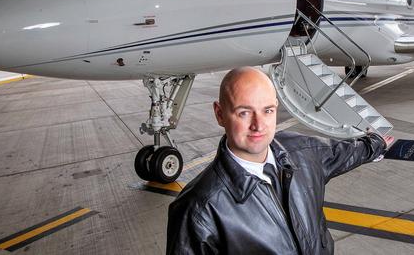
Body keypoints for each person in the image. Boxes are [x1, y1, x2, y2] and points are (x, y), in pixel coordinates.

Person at [166, 67, 393, 254]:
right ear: (219, 114)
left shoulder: (304, 152)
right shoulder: (197, 209)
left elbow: (341, 153)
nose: (258, 125)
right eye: (244, 112)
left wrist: (375, 144)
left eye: (267, 111)